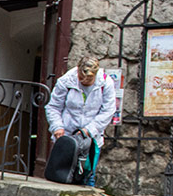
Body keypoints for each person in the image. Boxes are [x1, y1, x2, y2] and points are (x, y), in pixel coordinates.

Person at [43, 57, 118, 187]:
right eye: (81, 78)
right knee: (62, 175)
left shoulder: (105, 83)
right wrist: (57, 127)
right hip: (67, 136)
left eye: (89, 80)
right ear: (77, 71)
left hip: (91, 137)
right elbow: (53, 106)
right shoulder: (66, 81)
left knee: (87, 175)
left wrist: (89, 130)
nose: (84, 81)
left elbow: (108, 110)